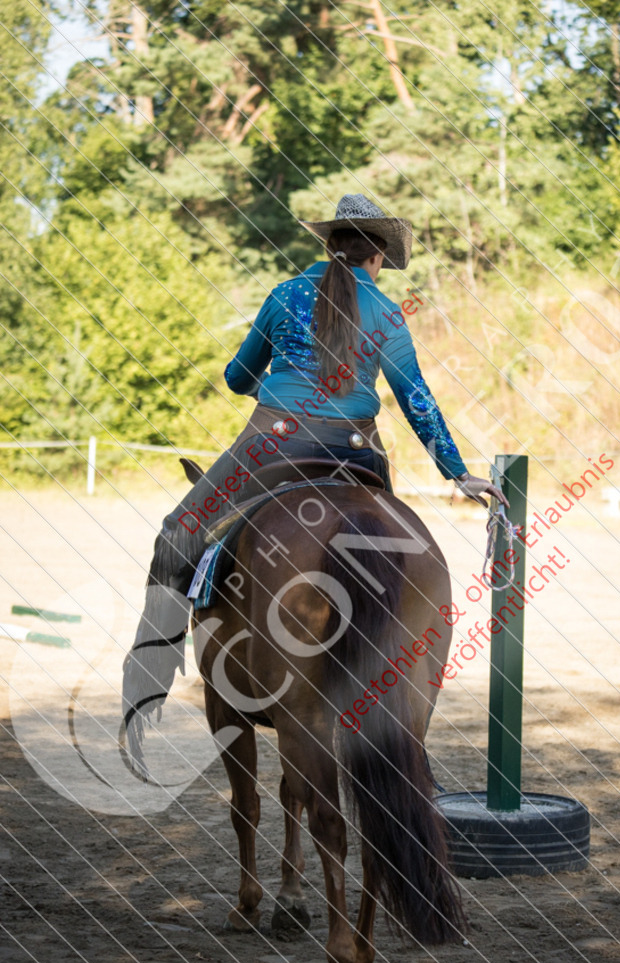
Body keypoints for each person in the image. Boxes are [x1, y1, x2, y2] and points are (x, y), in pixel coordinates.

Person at [122, 193, 506, 746]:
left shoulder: (284, 295)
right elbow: (415, 398)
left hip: (271, 445)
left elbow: (235, 376)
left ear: (330, 245)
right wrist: (456, 472)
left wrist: (278, 393)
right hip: (356, 451)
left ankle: (149, 673)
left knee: (179, 529)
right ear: (377, 258)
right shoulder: (387, 312)